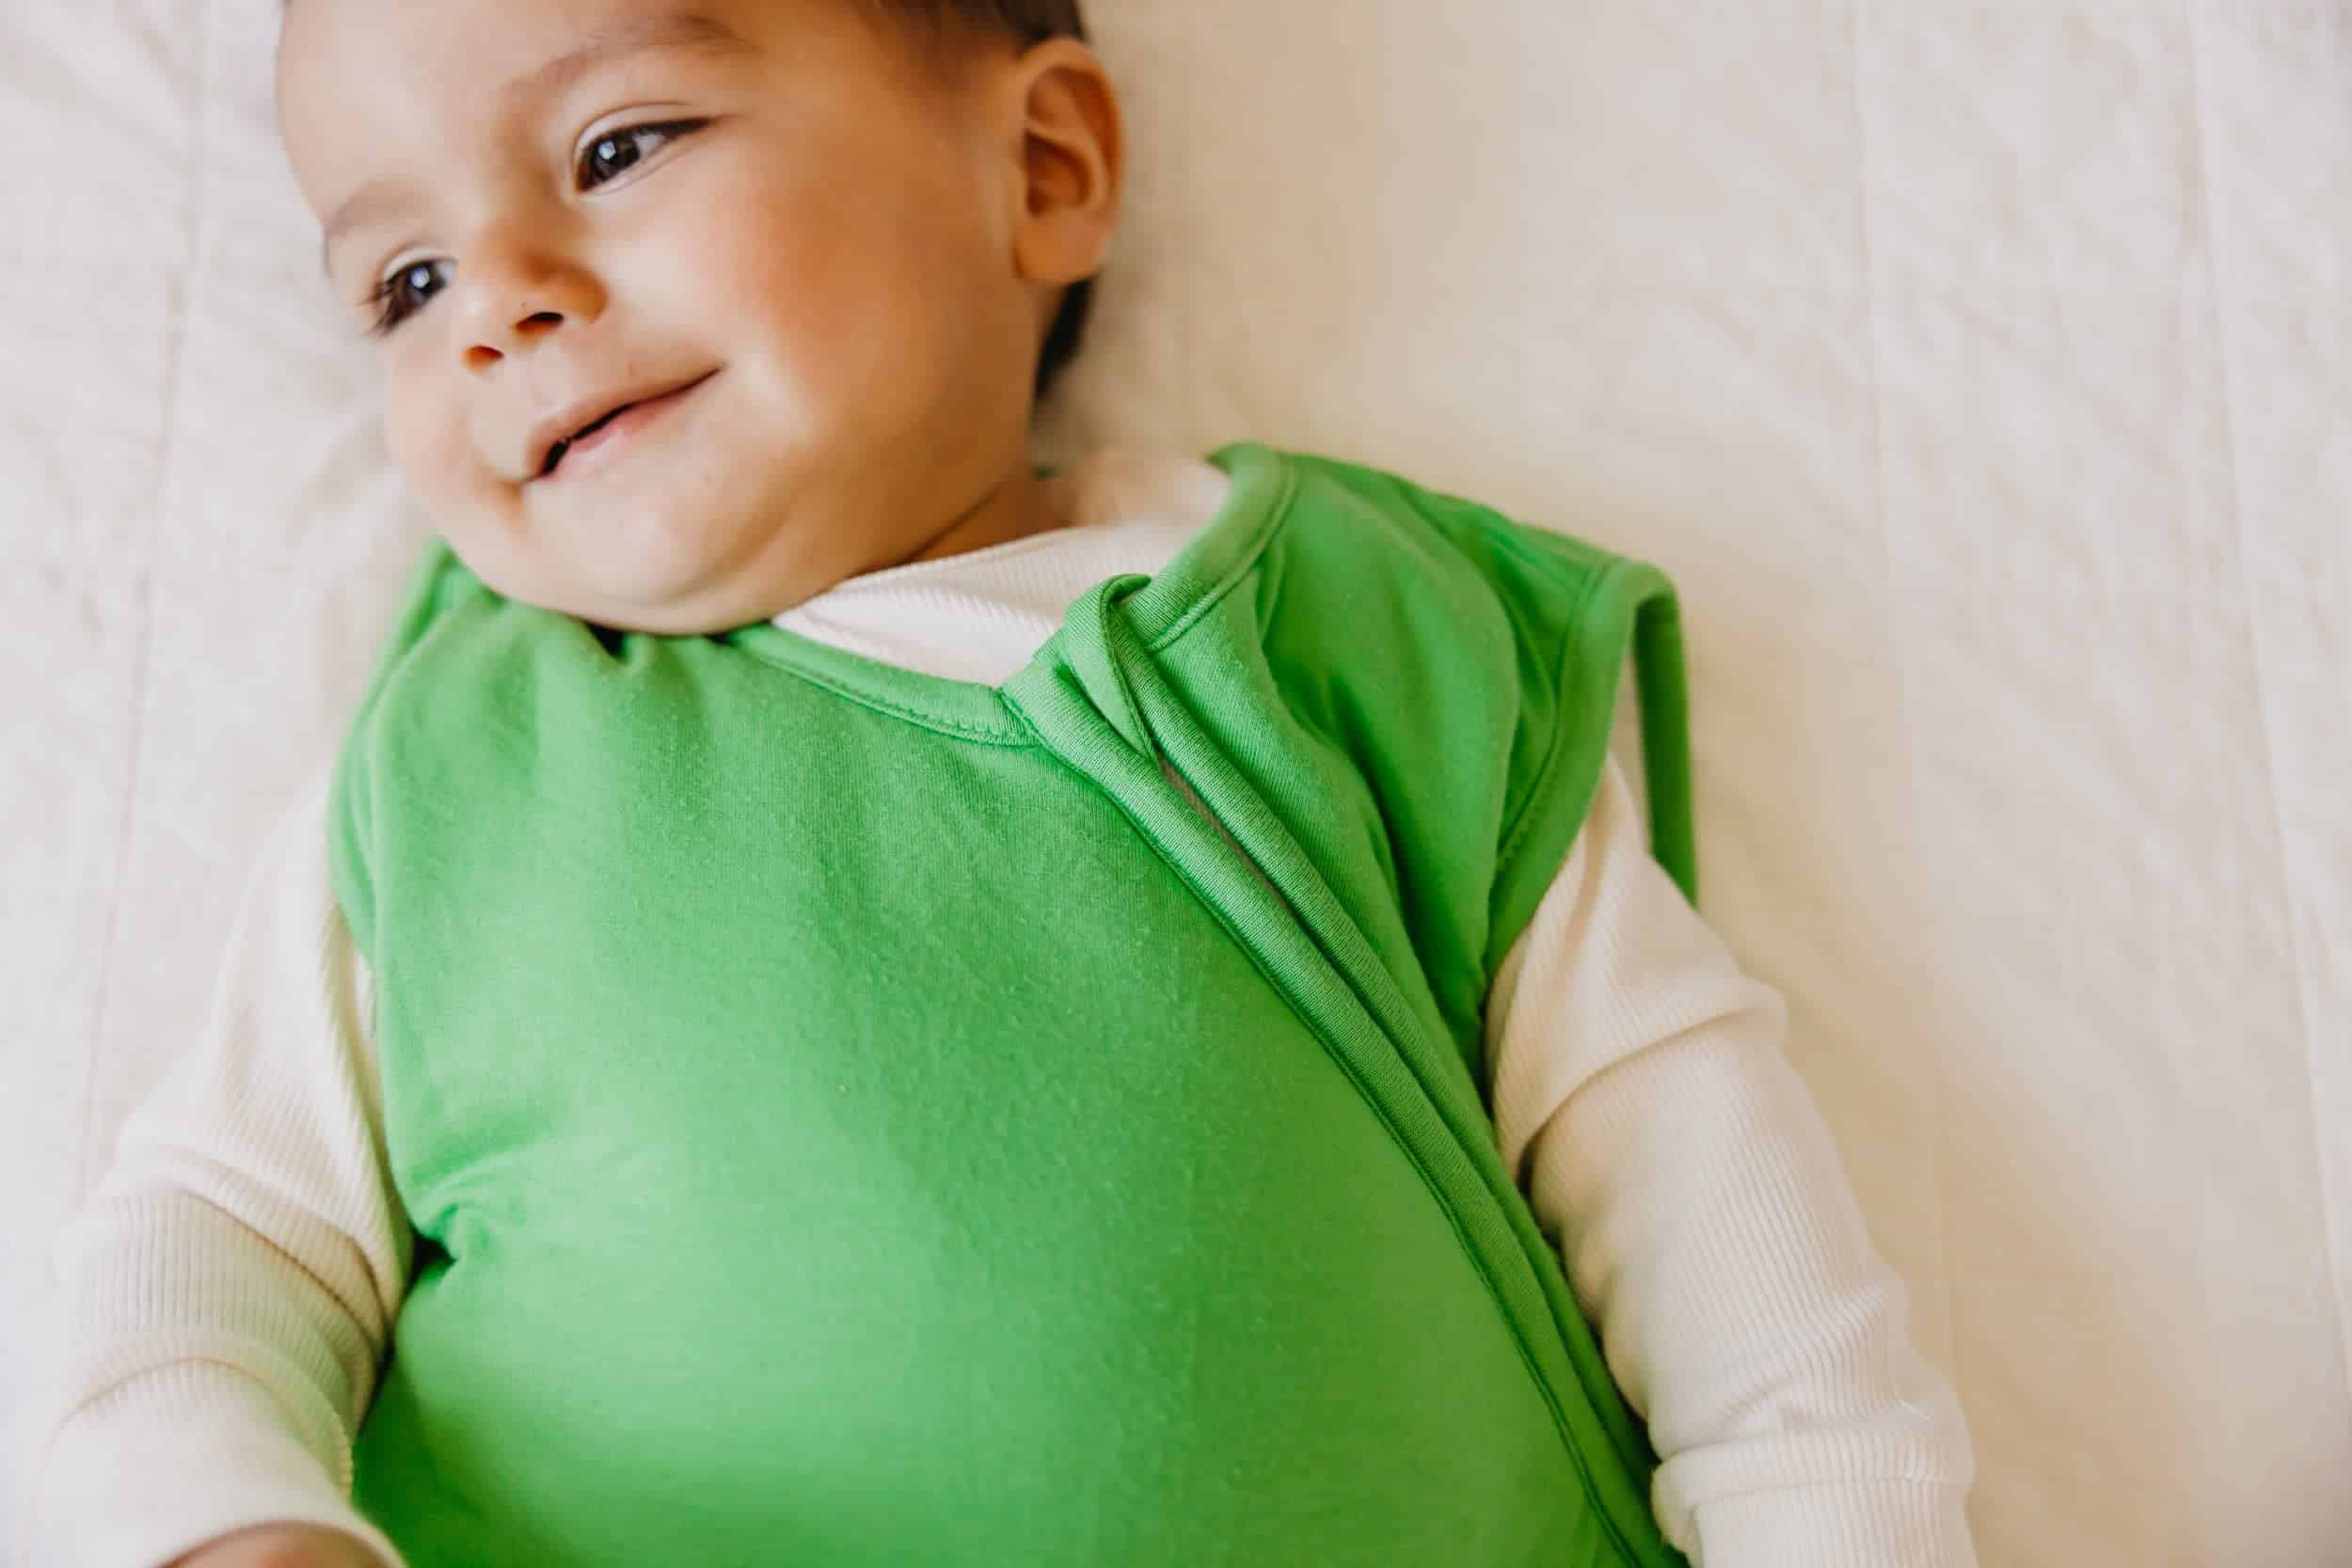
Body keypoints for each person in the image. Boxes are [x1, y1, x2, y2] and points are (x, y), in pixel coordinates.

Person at [17, 2, 1979, 1565]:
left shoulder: (1351, 638)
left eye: (615, 150)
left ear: (1039, 166)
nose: (500, 301)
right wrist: (223, 1520)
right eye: (403, 282)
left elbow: (1728, 1238)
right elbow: (222, 1227)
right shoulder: (459, 756)